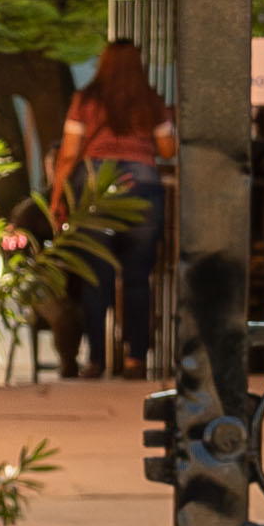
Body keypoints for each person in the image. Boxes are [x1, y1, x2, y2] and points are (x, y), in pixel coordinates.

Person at [58, 36, 178, 378]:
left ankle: (96, 359)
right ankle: (135, 359)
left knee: (97, 278)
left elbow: (69, 154)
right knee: (139, 279)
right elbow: (167, 150)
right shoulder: (151, 102)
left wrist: (58, 200)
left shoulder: (85, 101)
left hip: (97, 189)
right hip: (142, 189)